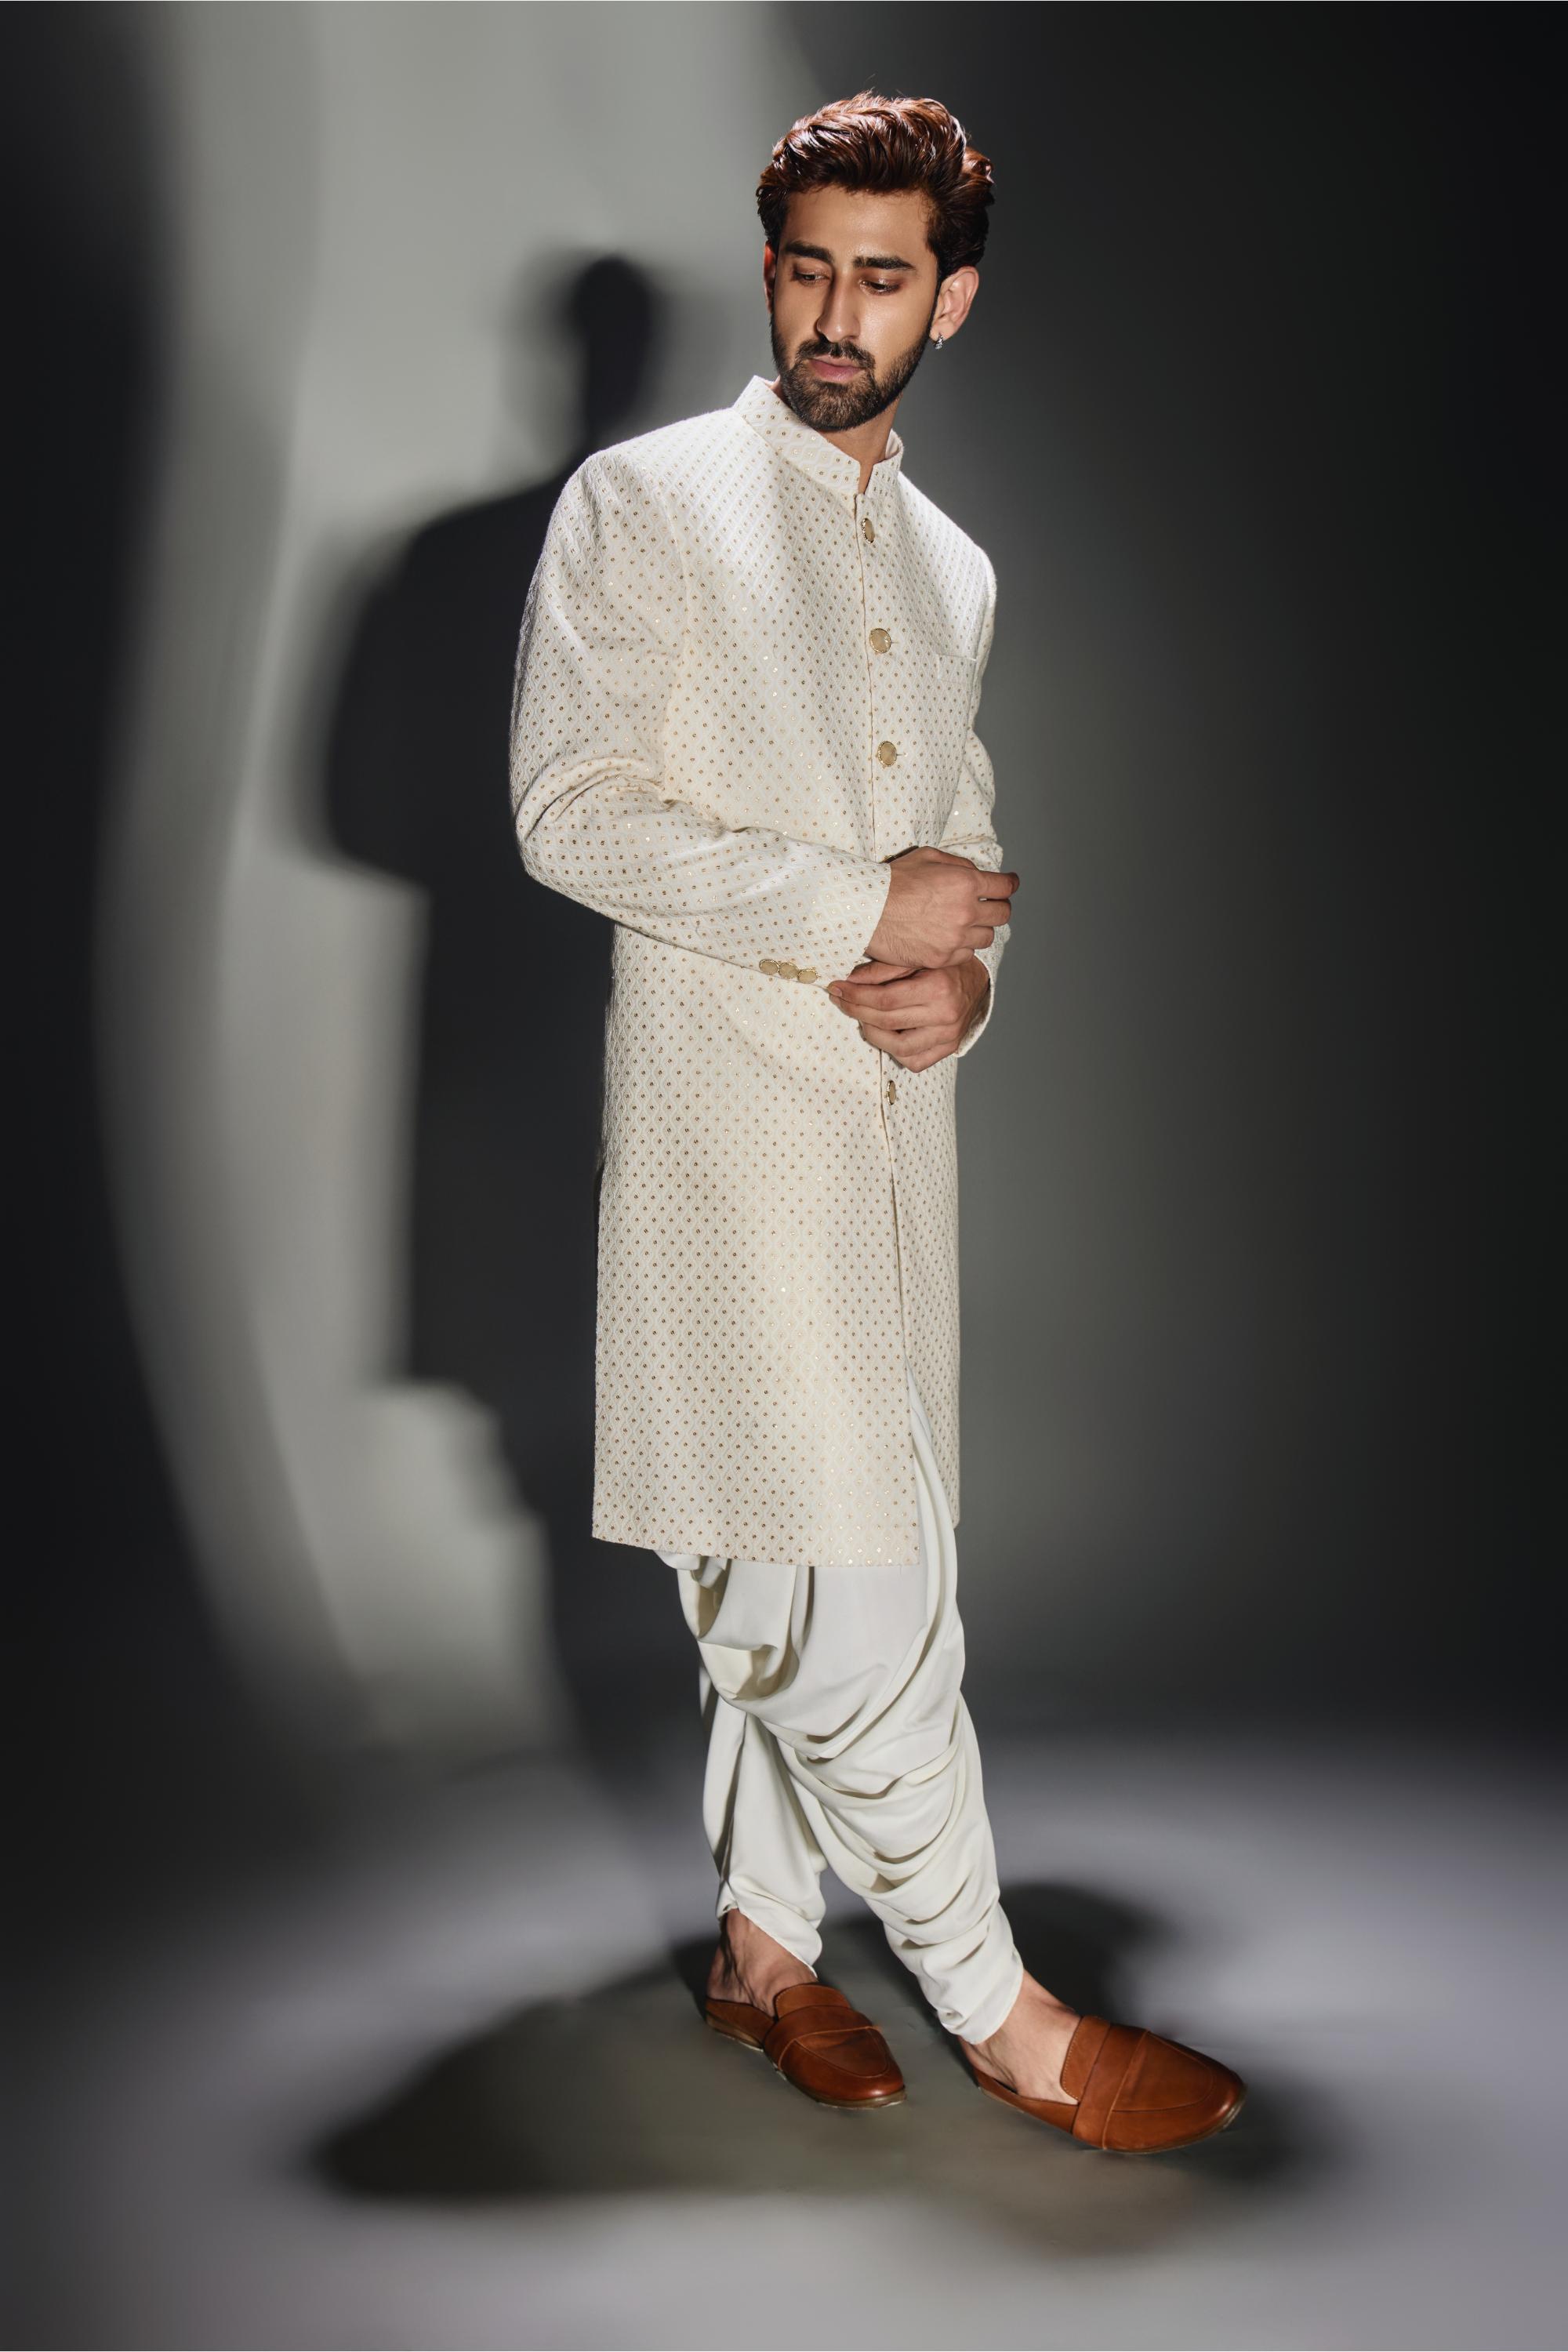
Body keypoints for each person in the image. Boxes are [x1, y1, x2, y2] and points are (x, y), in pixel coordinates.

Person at [510, 89, 1244, 2154]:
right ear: (772, 273)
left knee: (849, 1555)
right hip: (720, 1152)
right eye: (810, 271)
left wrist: (968, 987)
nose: (840, 317)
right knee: (826, 1598)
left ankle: (764, 1954)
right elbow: (568, 811)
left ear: (953, 299)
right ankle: (1003, 2010)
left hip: (896, 1159)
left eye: (885, 280)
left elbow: (963, 854)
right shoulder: (639, 505)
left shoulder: (952, 565)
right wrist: (857, 908)